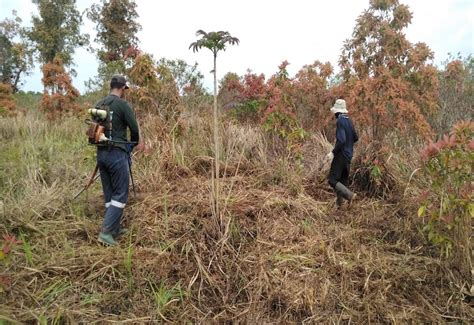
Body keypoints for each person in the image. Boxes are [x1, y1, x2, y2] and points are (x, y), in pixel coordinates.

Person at [95, 75, 142, 246]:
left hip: (101, 154)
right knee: (121, 193)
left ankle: (114, 228)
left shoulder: (99, 104)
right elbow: (134, 128)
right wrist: (133, 143)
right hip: (117, 154)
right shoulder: (122, 105)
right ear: (122, 88)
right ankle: (106, 233)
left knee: (109, 194)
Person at [326, 99, 358, 209]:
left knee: (332, 180)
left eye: (335, 112)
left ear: (337, 112)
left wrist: (333, 152)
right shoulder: (349, 121)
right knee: (342, 182)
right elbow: (355, 137)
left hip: (341, 155)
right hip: (349, 156)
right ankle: (339, 206)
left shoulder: (340, 121)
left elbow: (341, 140)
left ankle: (350, 195)